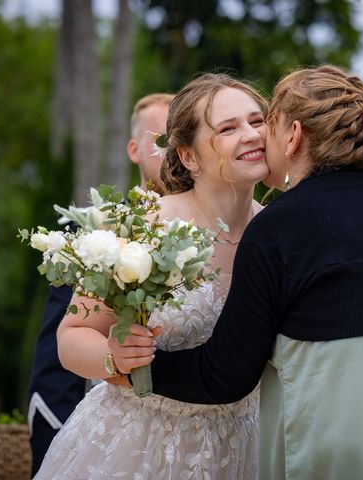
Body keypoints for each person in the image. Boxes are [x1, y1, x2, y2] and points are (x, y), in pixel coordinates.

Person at [111, 65, 363, 479]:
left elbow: (226, 375)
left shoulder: (276, 230)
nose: (259, 139)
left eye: (268, 125)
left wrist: (139, 369)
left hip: (348, 461)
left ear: (294, 136)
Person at [33, 73, 269, 479]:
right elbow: (70, 337)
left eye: (257, 121)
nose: (251, 135)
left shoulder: (279, 232)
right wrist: (113, 358)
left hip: (246, 447)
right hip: (139, 446)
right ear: (189, 156)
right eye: (228, 128)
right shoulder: (142, 227)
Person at [26, 92, 173, 476]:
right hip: (108, 429)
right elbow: (58, 343)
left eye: (180, 136)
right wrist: (56, 437)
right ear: (133, 148)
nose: (170, 148)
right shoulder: (96, 230)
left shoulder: (223, 229)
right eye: (160, 138)